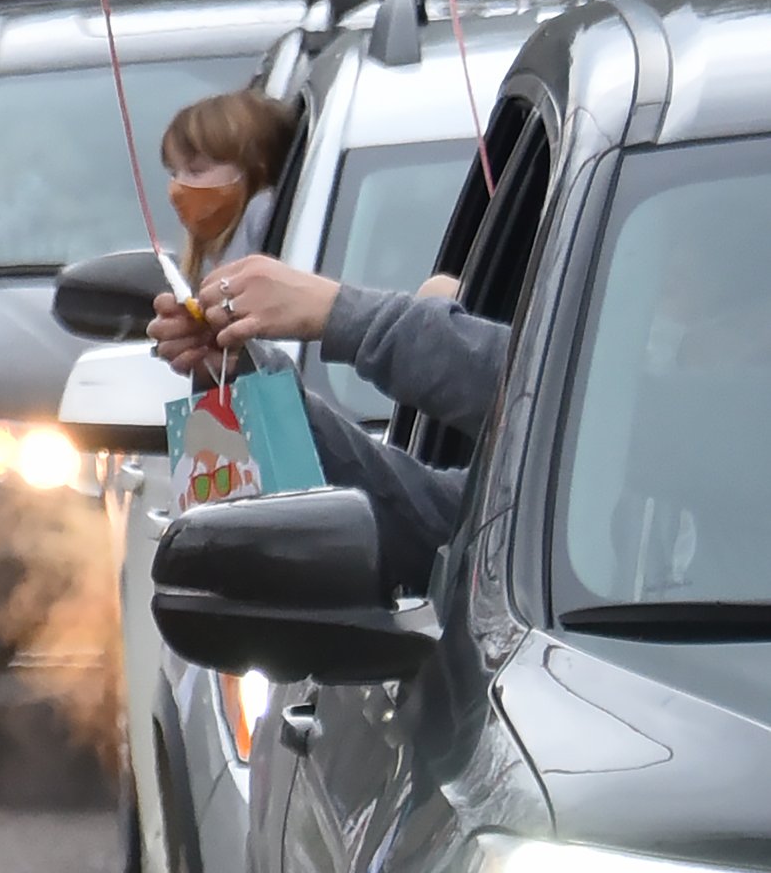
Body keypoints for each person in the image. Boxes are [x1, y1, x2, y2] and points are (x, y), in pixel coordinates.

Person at [148, 253, 510, 587]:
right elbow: (419, 512)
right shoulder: (516, 525)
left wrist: (338, 311)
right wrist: (250, 378)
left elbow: (537, 385)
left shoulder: (527, 549)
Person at [161, 89, 298, 283]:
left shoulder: (262, 214)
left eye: (196, 171)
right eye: (174, 173)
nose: (176, 188)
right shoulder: (213, 251)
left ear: (255, 168)